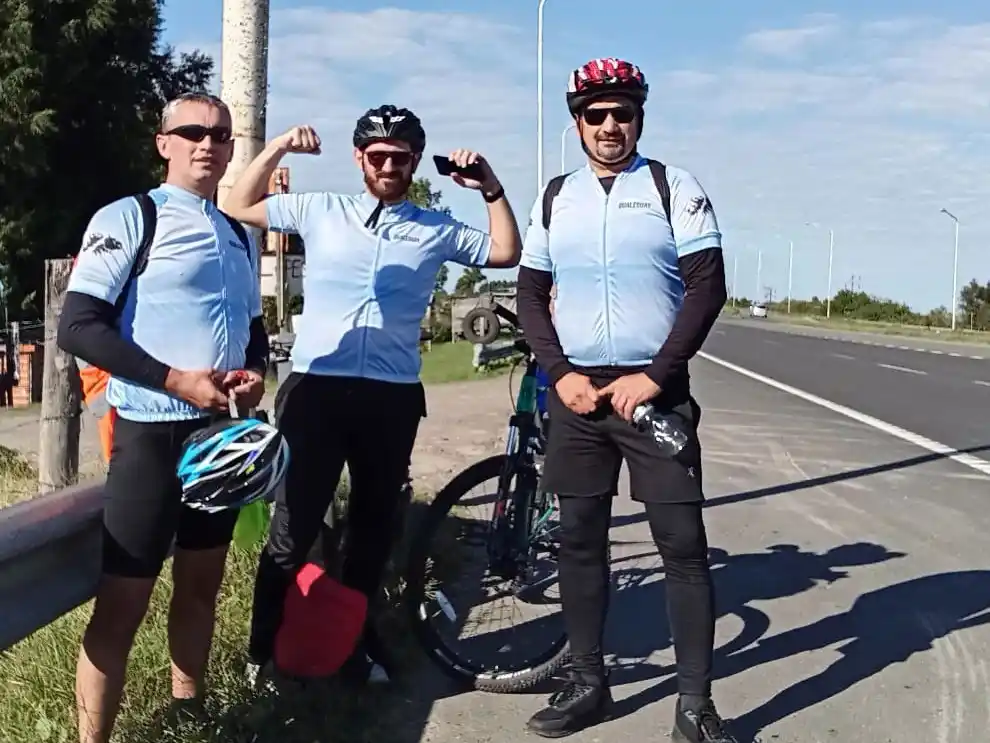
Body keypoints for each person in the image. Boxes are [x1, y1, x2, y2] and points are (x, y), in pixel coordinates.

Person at [222, 104, 523, 685]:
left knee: (373, 526)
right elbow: (237, 203)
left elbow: (505, 251)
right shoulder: (321, 209)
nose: (388, 165)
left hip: (389, 396)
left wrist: (490, 186)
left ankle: (351, 644)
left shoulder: (433, 228)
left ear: (413, 163)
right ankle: (260, 653)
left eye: (400, 157)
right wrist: (281, 144)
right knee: (294, 524)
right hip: (317, 389)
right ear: (360, 158)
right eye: (377, 155)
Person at [516, 58, 735, 742]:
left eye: (623, 113)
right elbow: (528, 292)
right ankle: (587, 682)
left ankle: (695, 705)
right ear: (577, 121)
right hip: (579, 394)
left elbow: (707, 287)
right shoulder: (556, 196)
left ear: (640, 117)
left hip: (654, 392)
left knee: (682, 543)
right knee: (578, 541)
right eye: (596, 114)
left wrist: (659, 373)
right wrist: (558, 372)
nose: (610, 126)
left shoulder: (673, 186)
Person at [57, 91, 269, 743]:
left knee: (200, 584)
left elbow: (254, 328)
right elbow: (78, 326)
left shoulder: (240, 234)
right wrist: (176, 379)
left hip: (220, 433)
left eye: (222, 135)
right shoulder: (131, 216)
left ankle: (188, 714)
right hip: (149, 432)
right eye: (195, 131)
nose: (209, 143)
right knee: (122, 604)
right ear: (164, 142)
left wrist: (255, 374)